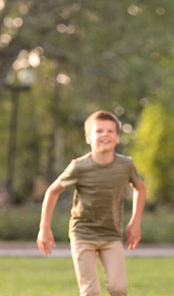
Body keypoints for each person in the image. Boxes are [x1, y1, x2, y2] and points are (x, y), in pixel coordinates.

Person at [37, 110, 146, 296]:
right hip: (83, 234)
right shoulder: (79, 166)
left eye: (110, 131)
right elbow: (52, 191)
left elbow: (140, 189)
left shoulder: (126, 165)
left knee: (118, 288)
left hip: (111, 234)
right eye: (99, 131)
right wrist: (44, 227)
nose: (105, 135)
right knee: (90, 292)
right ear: (88, 138)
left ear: (118, 138)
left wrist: (135, 223)